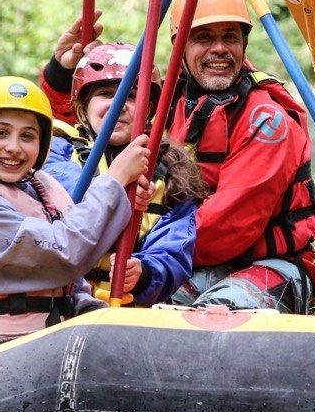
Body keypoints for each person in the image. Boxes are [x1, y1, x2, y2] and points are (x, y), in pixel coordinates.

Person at [0, 76, 153, 372]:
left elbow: (72, 274)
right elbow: (66, 252)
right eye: (0, 133)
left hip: (38, 339)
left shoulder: (38, 189)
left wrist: (124, 199)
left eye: (27, 137)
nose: (13, 147)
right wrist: (115, 181)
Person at [164, 0, 315, 313]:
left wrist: (150, 249)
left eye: (230, 37)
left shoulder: (266, 121)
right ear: (178, 48)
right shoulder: (166, 103)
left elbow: (229, 227)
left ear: (243, 44)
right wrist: (60, 72)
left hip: (273, 262)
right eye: (203, 37)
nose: (220, 49)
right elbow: (94, 124)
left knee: (214, 314)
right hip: (194, 254)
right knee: (136, 297)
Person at [43, 42, 202, 307]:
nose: (119, 106)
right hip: (61, 304)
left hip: (124, 309)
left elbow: (175, 249)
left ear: (149, 108)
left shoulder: (171, 171)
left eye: (131, 96)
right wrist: (116, 187)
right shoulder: (56, 153)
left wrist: (145, 273)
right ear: (82, 108)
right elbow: (56, 201)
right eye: (106, 94)